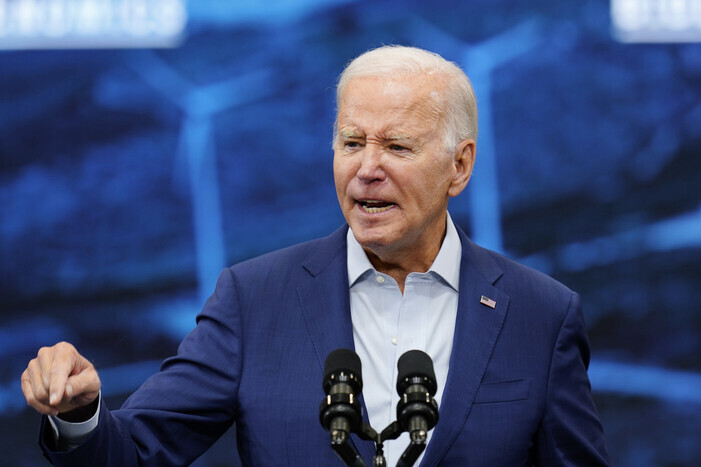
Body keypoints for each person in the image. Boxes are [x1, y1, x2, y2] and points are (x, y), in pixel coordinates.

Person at [21, 45, 610, 466]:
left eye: (397, 146)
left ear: (460, 166)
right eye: (351, 143)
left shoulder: (541, 314)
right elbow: (135, 453)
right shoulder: (254, 300)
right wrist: (80, 415)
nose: (367, 168)